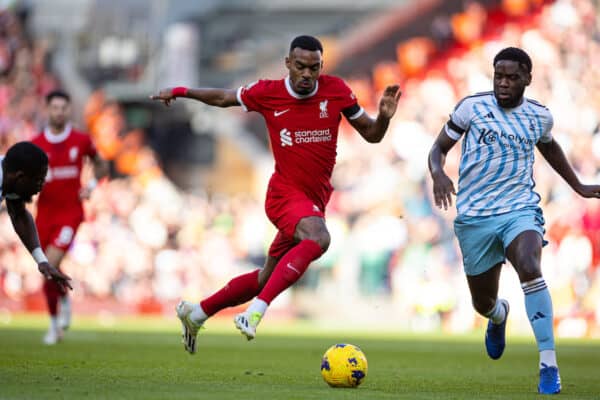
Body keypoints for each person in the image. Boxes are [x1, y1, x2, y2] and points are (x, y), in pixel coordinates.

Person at [151, 35, 401, 352]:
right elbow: (223, 98)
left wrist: (384, 118)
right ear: (288, 64)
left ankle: (197, 312)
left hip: (313, 200)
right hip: (284, 195)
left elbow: (373, 136)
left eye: (314, 68)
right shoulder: (268, 93)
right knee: (319, 238)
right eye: (300, 67)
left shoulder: (336, 90)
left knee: (265, 276)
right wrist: (181, 91)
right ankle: (256, 312)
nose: (307, 74)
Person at [428, 47, 600, 395]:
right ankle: (498, 315)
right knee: (482, 303)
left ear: (527, 79)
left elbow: (549, 147)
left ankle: (548, 365)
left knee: (529, 265)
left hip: (519, 209)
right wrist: (438, 174)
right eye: (498, 76)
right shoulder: (471, 108)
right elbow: (438, 149)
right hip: (475, 216)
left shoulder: (539, 117)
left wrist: (579, 185)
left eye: (511, 77)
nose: (503, 84)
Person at [31, 90, 108, 345]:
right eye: (55, 107)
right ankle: (63, 294)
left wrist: (93, 184)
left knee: (48, 266)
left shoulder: (81, 140)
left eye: (64, 107)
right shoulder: (36, 144)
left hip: (70, 213)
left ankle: (54, 327)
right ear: (48, 110)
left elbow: (102, 164)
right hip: (44, 214)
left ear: (68, 110)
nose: (59, 112)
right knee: (49, 267)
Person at [0, 142, 72, 293]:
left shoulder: (9, 179)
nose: (40, 187)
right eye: (38, 180)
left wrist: (42, 261)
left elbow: (19, 215)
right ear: (20, 177)